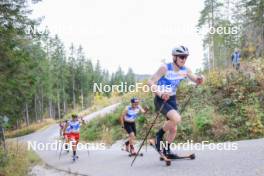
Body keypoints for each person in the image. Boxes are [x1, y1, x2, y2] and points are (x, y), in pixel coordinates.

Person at [148, 45, 204, 159]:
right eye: (181, 57)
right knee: (177, 118)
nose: (184, 59)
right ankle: (158, 136)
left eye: (185, 57)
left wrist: (201, 79)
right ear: (174, 57)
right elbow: (150, 81)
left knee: (173, 129)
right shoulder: (165, 68)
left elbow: (195, 79)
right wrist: (160, 93)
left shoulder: (185, 70)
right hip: (161, 99)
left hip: (172, 99)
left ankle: (166, 150)